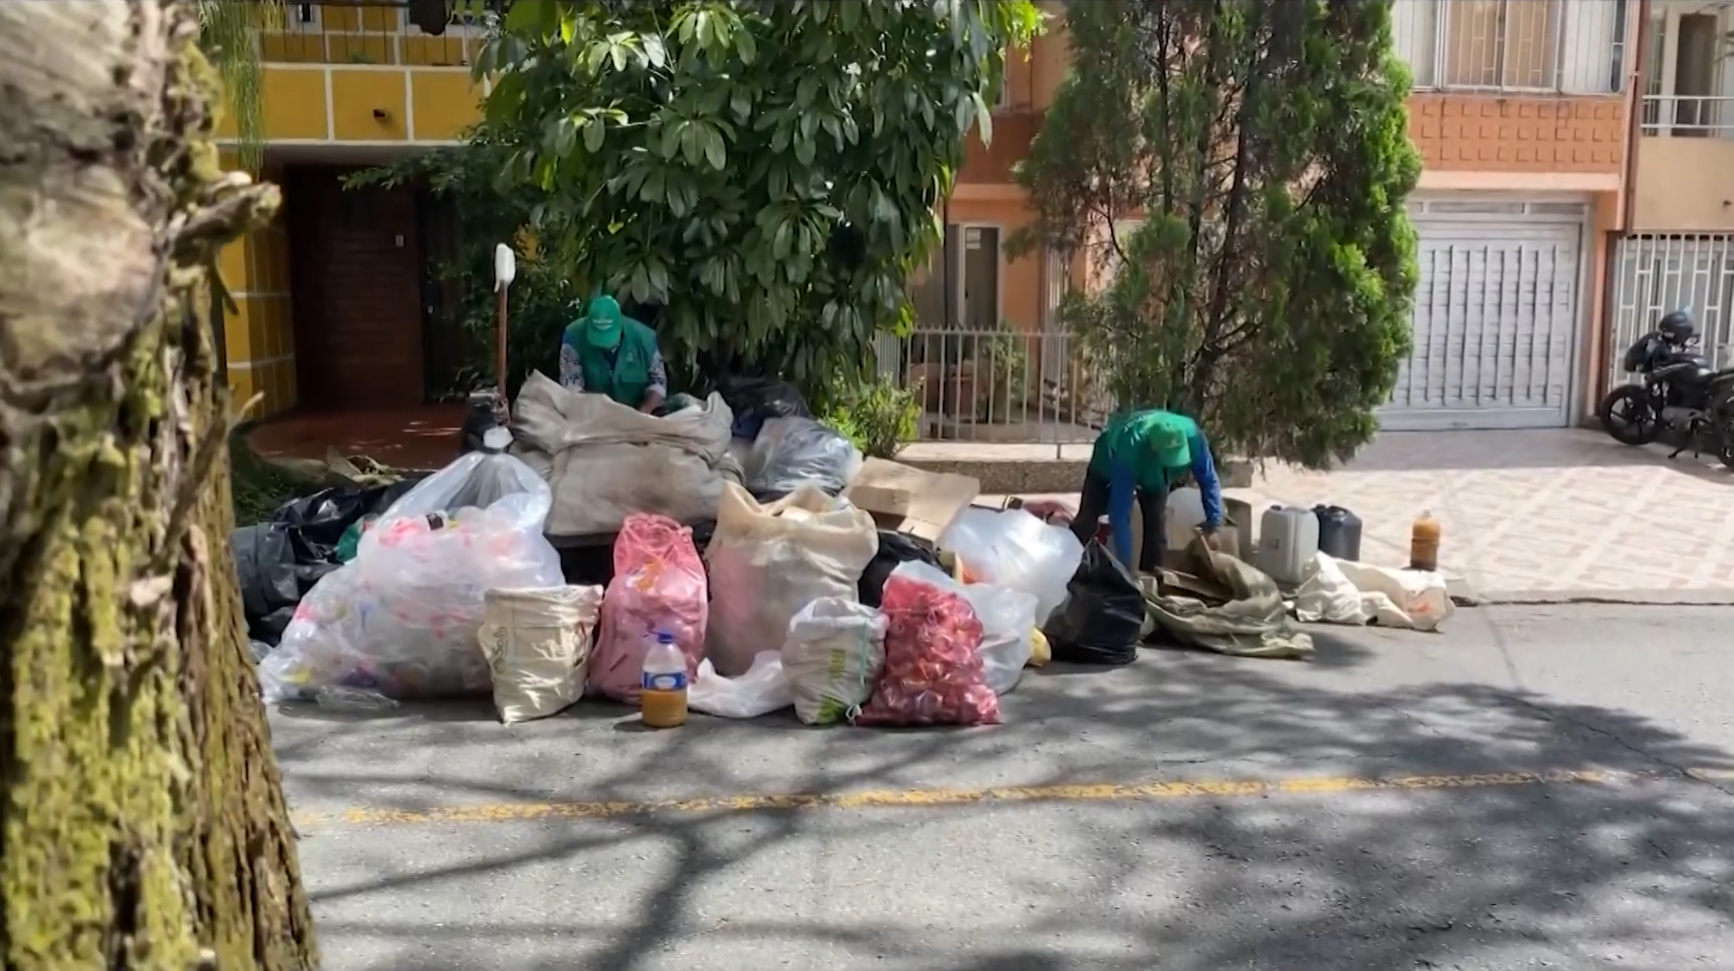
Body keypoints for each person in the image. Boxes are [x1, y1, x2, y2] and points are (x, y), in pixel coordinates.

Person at [1069, 408, 1221, 574]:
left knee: (1156, 529)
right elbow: (1120, 516)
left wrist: (1214, 525)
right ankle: (1071, 568)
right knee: (1087, 520)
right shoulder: (1129, 447)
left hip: (1154, 472)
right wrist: (1125, 569)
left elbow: (1209, 480)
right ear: (1154, 448)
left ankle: (1153, 580)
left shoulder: (1193, 435)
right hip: (1107, 463)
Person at [557, 295, 667, 413]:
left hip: (638, 412)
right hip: (592, 413)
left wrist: (644, 411)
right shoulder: (573, 337)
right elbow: (571, 383)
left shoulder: (646, 339)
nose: (605, 345)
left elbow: (658, 382)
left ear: (621, 324)